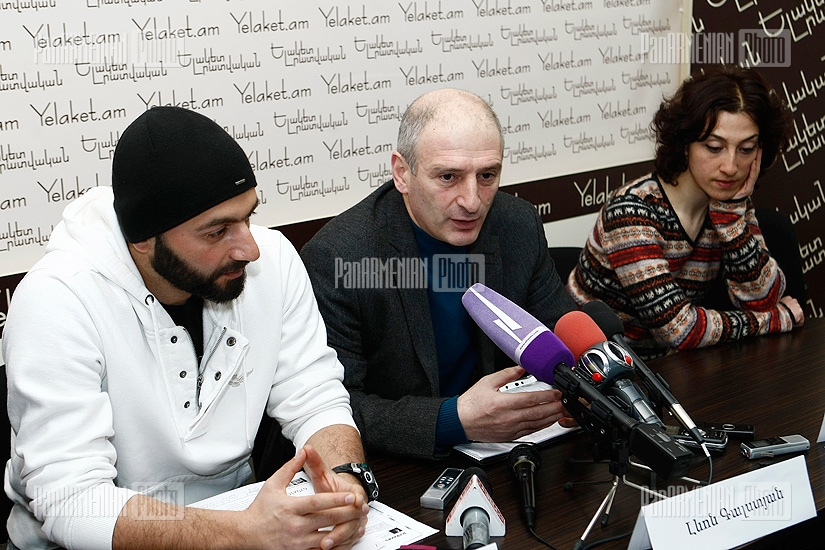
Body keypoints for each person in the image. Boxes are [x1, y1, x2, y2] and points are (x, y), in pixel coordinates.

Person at [3, 107, 372, 550]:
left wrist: (346, 484)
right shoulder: (57, 299)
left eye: (248, 217)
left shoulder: (272, 262)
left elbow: (315, 397)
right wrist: (244, 532)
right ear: (141, 239)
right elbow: (74, 502)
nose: (249, 249)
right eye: (217, 232)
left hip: (241, 527)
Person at [301, 88, 577, 460]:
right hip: (400, 466)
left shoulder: (517, 225)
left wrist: (581, 387)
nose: (472, 200)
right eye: (448, 176)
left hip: (507, 454)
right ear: (402, 173)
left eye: (487, 175)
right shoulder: (342, 256)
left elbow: (561, 334)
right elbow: (332, 408)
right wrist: (453, 420)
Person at [566, 66, 804, 358]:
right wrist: (776, 319)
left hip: (671, 369)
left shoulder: (728, 203)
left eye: (746, 149)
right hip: (601, 373)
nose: (730, 166)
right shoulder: (632, 211)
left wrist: (731, 221)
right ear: (685, 145)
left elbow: (763, 299)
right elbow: (678, 329)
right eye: (714, 147)